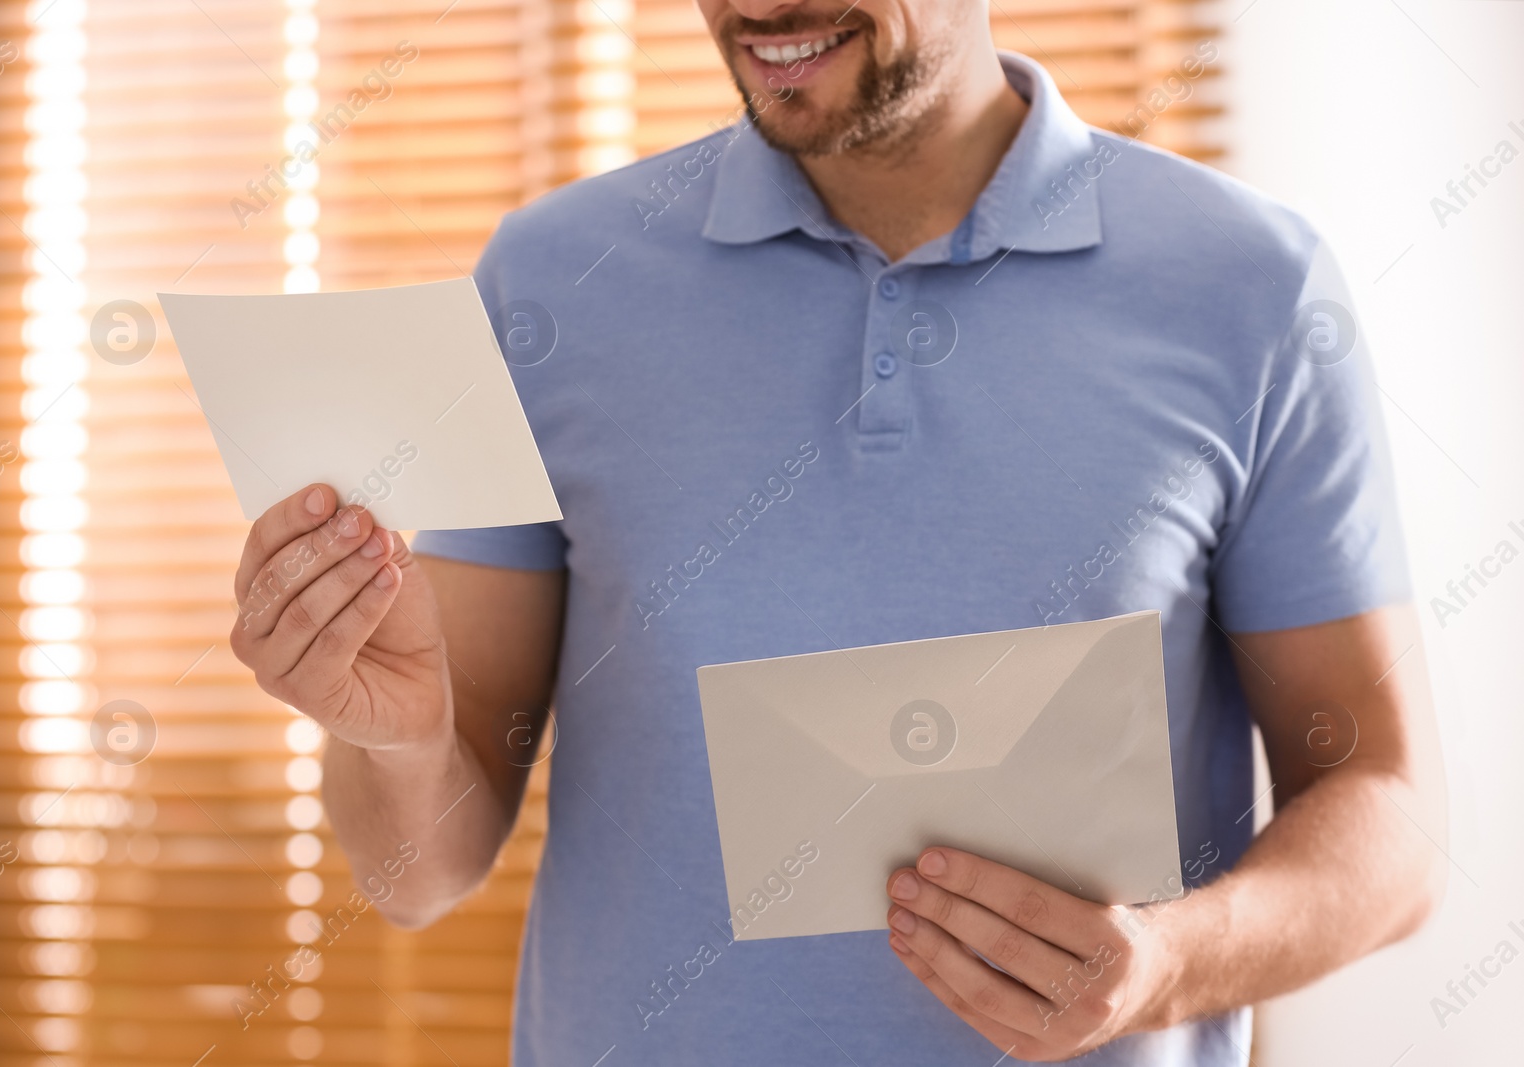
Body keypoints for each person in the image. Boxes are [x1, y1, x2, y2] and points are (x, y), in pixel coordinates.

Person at [229, 1, 1447, 1062]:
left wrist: (1165, 962)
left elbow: (1385, 804)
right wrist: (390, 735)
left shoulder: (1248, 286)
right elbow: (421, 871)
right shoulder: (551, 284)